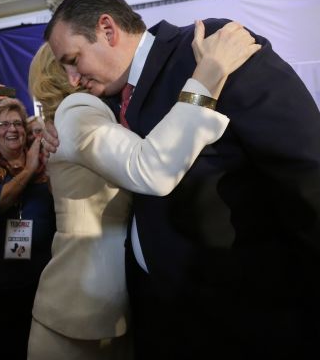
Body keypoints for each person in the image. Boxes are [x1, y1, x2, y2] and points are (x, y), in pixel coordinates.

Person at [44, 0, 320, 359]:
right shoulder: (106, 100)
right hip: (160, 318)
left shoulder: (214, 51)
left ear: (107, 29)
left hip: (243, 319)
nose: (73, 80)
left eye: (73, 60)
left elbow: (311, 178)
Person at [26, 20, 252, 359]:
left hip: (105, 305)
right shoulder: (76, 112)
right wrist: (207, 76)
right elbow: (151, 167)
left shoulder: (89, 115)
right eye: (69, 62)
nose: (77, 73)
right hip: (81, 309)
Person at [0, 98, 55, 360]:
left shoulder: (45, 166)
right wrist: (27, 171)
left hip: (38, 282)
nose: (12, 129)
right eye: (4, 123)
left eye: (17, 123)